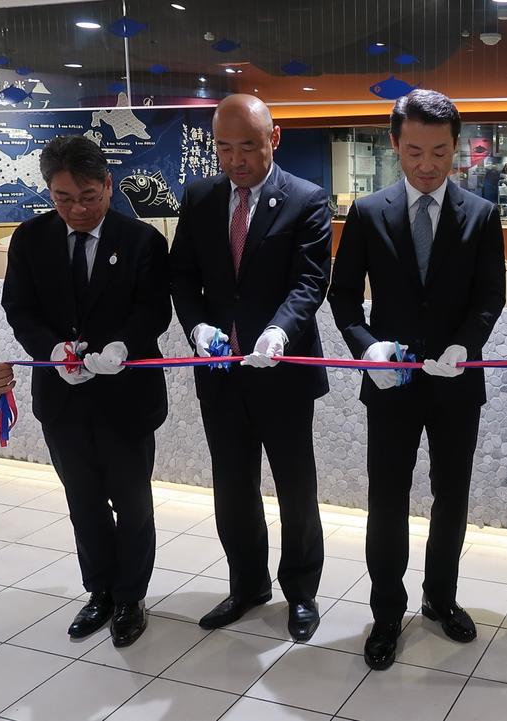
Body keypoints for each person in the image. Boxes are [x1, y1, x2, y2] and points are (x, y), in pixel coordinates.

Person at [328, 89, 506, 671]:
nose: (427, 166)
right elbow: (343, 298)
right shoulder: (368, 212)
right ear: (394, 145)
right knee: (387, 499)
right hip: (391, 383)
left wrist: (466, 344)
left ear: (457, 147)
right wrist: (368, 348)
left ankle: (440, 597)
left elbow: (490, 298)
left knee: (451, 496)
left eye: (439, 152)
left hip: (457, 381)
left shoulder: (481, 214)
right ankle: (386, 610)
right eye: (414, 152)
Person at [169, 94, 332, 642]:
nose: (235, 160)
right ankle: (247, 585)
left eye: (248, 146)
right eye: (224, 148)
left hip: (282, 374)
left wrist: (279, 330)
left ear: (274, 138)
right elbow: (182, 276)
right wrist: (197, 327)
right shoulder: (200, 197)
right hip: (221, 376)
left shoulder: (306, 199)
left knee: (295, 488)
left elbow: (310, 281)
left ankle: (301, 591)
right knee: (232, 487)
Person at [1, 134, 170, 647]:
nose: (77, 209)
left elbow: (153, 311)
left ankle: (130, 598)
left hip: (126, 398)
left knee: (133, 505)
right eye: (63, 198)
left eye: (88, 197)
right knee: (84, 502)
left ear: (108, 186)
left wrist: (122, 345)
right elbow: (18, 308)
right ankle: (99, 591)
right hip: (63, 401)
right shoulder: (30, 239)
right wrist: (52, 350)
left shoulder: (141, 241)